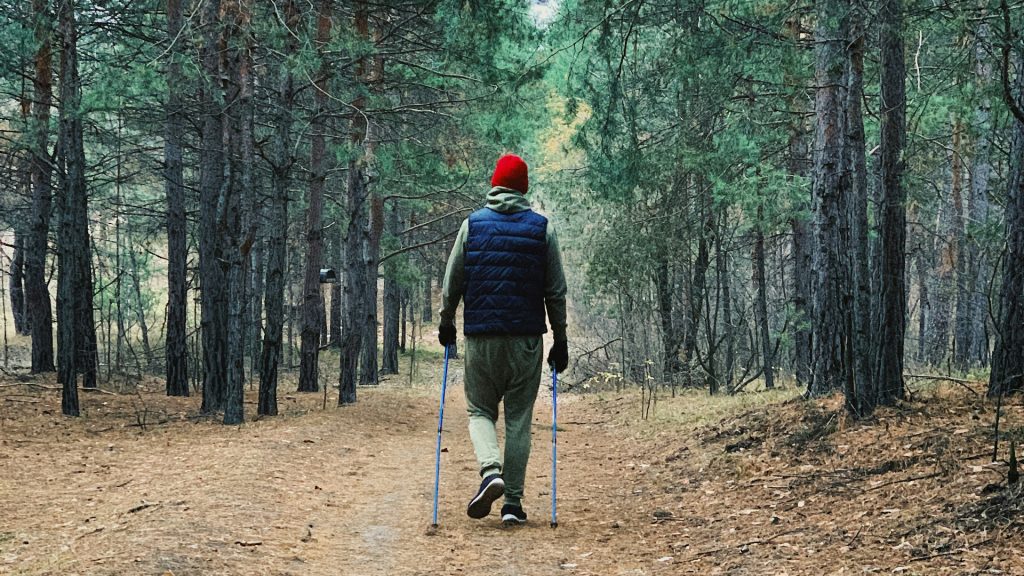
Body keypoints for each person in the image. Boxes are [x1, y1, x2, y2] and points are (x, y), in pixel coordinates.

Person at [438, 153, 569, 526]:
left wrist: (447, 321)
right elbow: (555, 291)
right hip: (526, 339)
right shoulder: (542, 229)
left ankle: (490, 470)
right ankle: (512, 503)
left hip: (481, 337)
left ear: (494, 184)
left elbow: (453, 281)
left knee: (480, 411)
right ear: (523, 188)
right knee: (519, 419)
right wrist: (560, 340)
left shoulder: (473, 225)